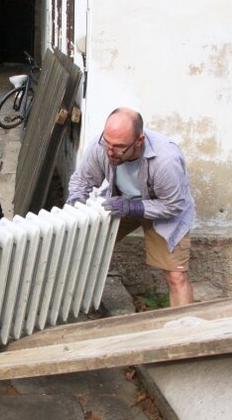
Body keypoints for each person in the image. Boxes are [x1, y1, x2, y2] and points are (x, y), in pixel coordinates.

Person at [67, 107, 195, 307]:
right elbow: (82, 180)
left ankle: (184, 326)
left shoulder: (166, 160)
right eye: (108, 143)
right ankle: (82, 306)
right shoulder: (102, 146)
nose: (110, 152)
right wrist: (76, 202)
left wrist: (134, 208)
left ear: (139, 141)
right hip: (120, 202)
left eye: (119, 147)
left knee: (176, 276)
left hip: (162, 209)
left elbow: (173, 205)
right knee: (84, 247)